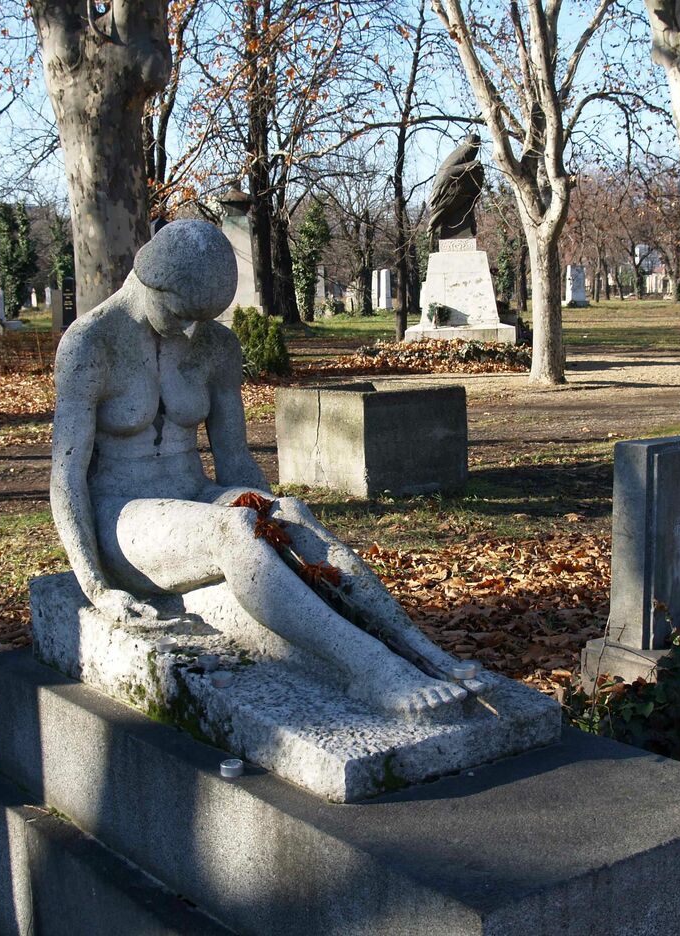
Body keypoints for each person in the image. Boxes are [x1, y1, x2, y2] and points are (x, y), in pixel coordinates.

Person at [50, 220, 465, 719]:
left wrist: (275, 527)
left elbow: (235, 460)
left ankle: (420, 649)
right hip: (121, 517)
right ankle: (372, 668)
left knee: (293, 513)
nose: (191, 330)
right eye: (181, 314)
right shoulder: (91, 343)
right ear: (149, 279)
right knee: (232, 532)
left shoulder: (214, 345)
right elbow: (66, 476)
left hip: (194, 491)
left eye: (202, 319)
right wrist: (97, 588)